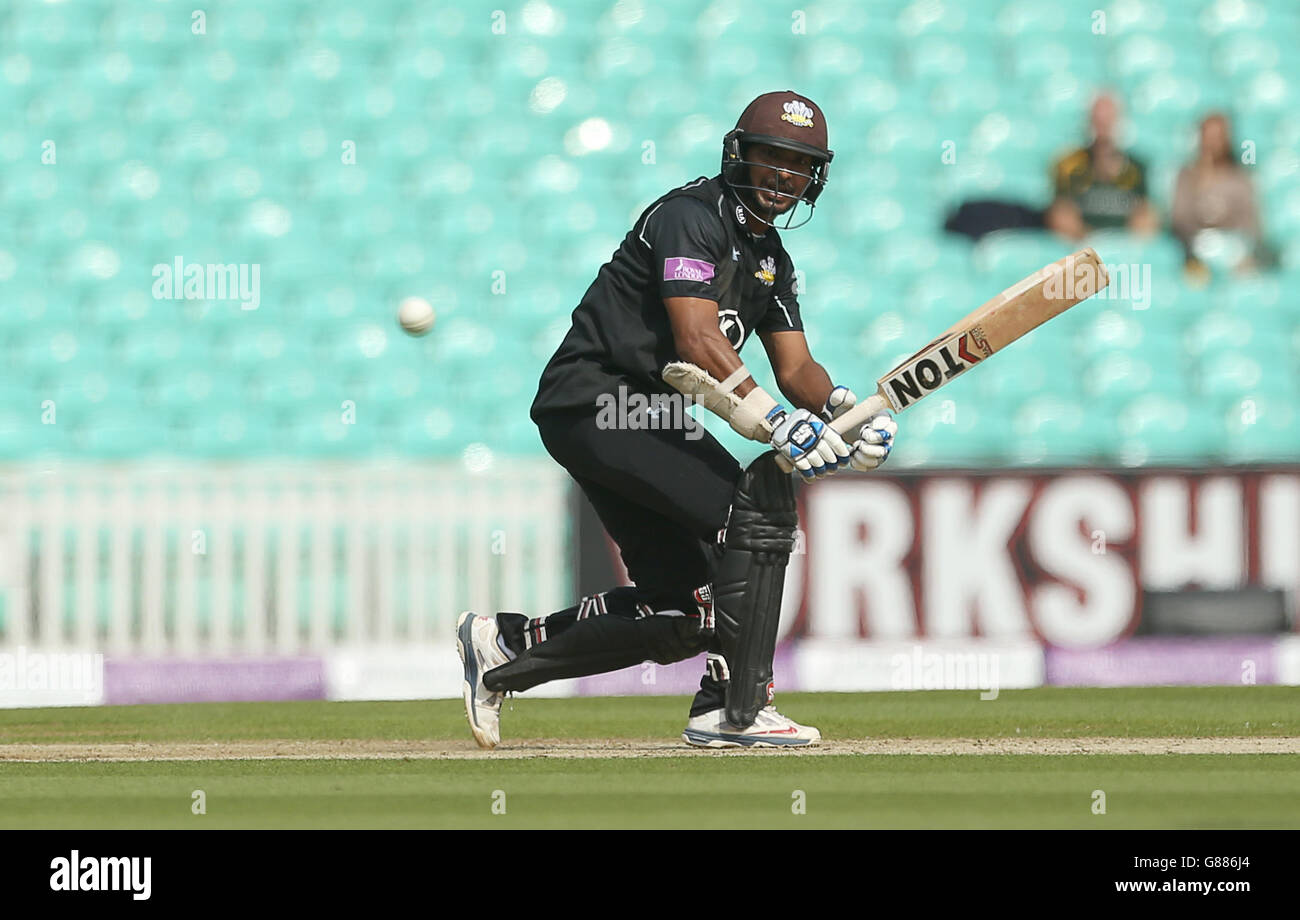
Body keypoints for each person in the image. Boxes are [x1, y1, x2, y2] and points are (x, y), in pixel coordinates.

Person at [456, 91, 897, 750]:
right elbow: (695, 338)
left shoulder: (772, 258)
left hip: (649, 411)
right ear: (737, 154)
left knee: (682, 616)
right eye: (771, 157)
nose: (783, 176)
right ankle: (736, 707)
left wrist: (841, 411)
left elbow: (797, 369)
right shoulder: (690, 217)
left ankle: (504, 647)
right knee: (755, 512)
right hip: (599, 398)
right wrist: (777, 422)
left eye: (799, 165)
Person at [1045, 92, 1159, 240]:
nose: (1103, 125)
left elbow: (1146, 216)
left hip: (1123, 254)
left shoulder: (1137, 168)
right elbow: (1061, 214)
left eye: (1108, 119)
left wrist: (1122, 247)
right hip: (1082, 251)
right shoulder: (1069, 165)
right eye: (1098, 119)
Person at [1171, 111, 1270, 279]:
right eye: (1208, 136)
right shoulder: (1186, 176)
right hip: (1192, 252)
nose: (1212, 143)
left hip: (1234, 250)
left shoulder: (1240, 178)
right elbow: (1179, 220)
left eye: (1218, 137)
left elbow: (1252, 225)